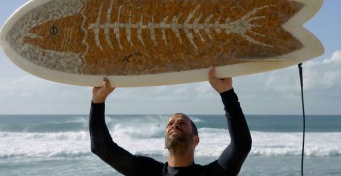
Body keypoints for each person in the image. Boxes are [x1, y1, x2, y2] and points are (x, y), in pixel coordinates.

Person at [89, 66, 252, 176]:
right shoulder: (147, 171)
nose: (174, 125)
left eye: (182, 123)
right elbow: (101, 147)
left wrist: (227, 93)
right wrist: (97, 102)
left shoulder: (212, 174)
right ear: (165, 143)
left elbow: (241, 146)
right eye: (170, 124)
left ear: (196, 140)